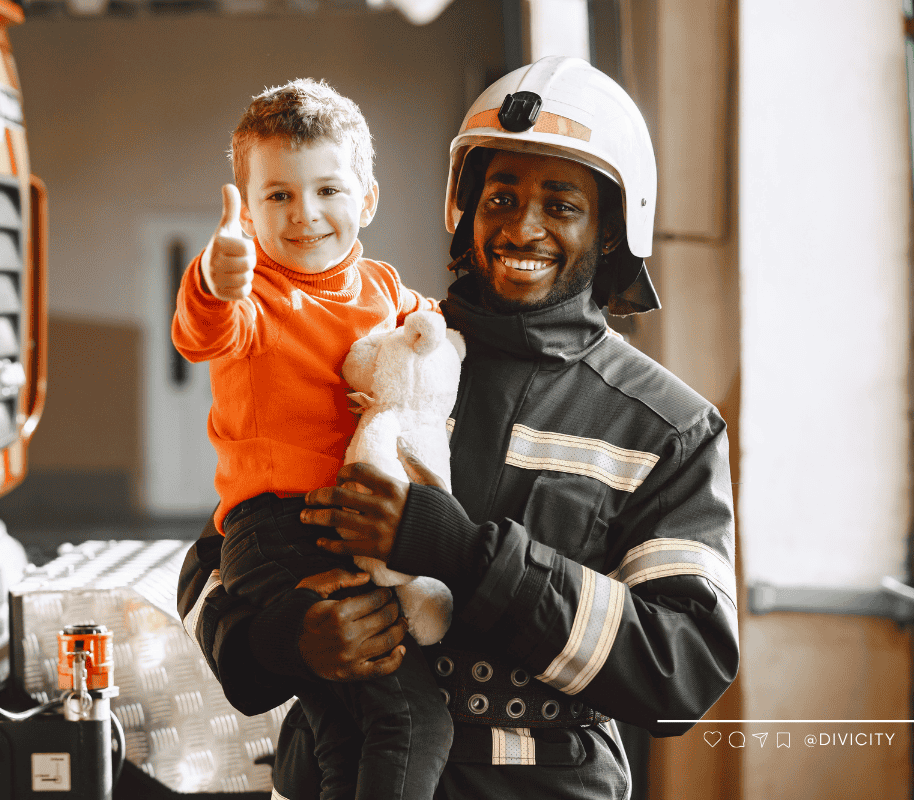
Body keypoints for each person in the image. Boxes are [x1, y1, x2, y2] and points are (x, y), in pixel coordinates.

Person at [178, 57, 740, 800]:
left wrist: (467, 555)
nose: (523, 226)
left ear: (611, 231)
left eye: (562, 206)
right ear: (464, 209)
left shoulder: (665, 426)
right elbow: (222, 548)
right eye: (500, 196)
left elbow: (684, 668)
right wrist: (277, 641)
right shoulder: (391, 353)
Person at [171, 78, 453, 800]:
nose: (306, 215)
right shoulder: (255, 297)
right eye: (278, 196)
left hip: (352, 526)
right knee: (414, 722)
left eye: (328, 190)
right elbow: (204, 331)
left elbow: (444, 346)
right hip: (281, 532)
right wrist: (213, 276)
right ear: (249, 206)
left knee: (345, 731)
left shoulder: (385, 289)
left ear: (368, 198)